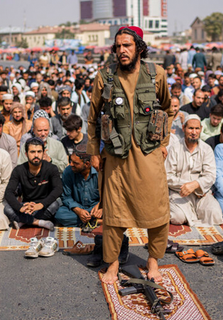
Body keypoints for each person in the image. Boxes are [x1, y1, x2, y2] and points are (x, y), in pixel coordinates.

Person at [88, 26, 172, 284]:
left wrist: (164, 142)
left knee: (157, 212)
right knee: (113, 215)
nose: (121, 51)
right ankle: (112, 264)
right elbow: (92, 120)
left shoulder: (157, 74)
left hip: (149, 154)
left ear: (139, 48)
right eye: (118, 46)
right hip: (115, 157)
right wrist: (93, 151)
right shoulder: (104, 77)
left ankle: (153, 262)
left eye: (127, 45)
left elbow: (167, 108)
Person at [166, 115, 222, 226]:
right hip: (179, 193)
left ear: (201, 129)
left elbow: (210, 175)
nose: (194, 132)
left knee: (215, 214)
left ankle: (193, 213)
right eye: (190, 128)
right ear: (183, 128)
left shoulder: (206, 149)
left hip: (201, 193)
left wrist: (196, 185)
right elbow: (167, 175)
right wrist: (187, 185)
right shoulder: (175, 148)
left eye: (197, 129)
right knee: (178, 218)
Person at [4, 137, 61, 230]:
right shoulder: (19, 170)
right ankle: (38, 222)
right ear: (26, 154)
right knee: (7, 209)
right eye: (32, 152)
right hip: (26, 206)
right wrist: (20, 208)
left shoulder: (51, 168)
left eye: (39, 152)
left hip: (44, 205)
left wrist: (41, 204)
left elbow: (58, 189)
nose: (36, 155)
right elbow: (8, 192)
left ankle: (23, 221)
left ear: (43, 153)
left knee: (55, 204)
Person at [56, 144, 100, 227]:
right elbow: (66, 197)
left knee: (115, 211)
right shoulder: (68, 171)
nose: (71, 164)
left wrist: (100, 206)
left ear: (87, 164)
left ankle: (89, 220)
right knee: (59, 214)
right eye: (71, 161)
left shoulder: (100, 172)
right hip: (77, 207)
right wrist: (78, 211)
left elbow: (109, 194)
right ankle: (97, 221)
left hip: (95, 208)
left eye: (75, 163)